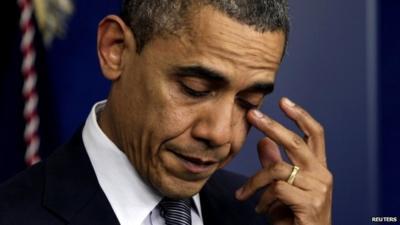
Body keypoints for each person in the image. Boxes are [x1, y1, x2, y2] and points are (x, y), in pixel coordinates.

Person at [0, 0, 333, 224]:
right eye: (194, 89)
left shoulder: (270, 216)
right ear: (116, 50)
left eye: (248, 103)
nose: (220, 134)